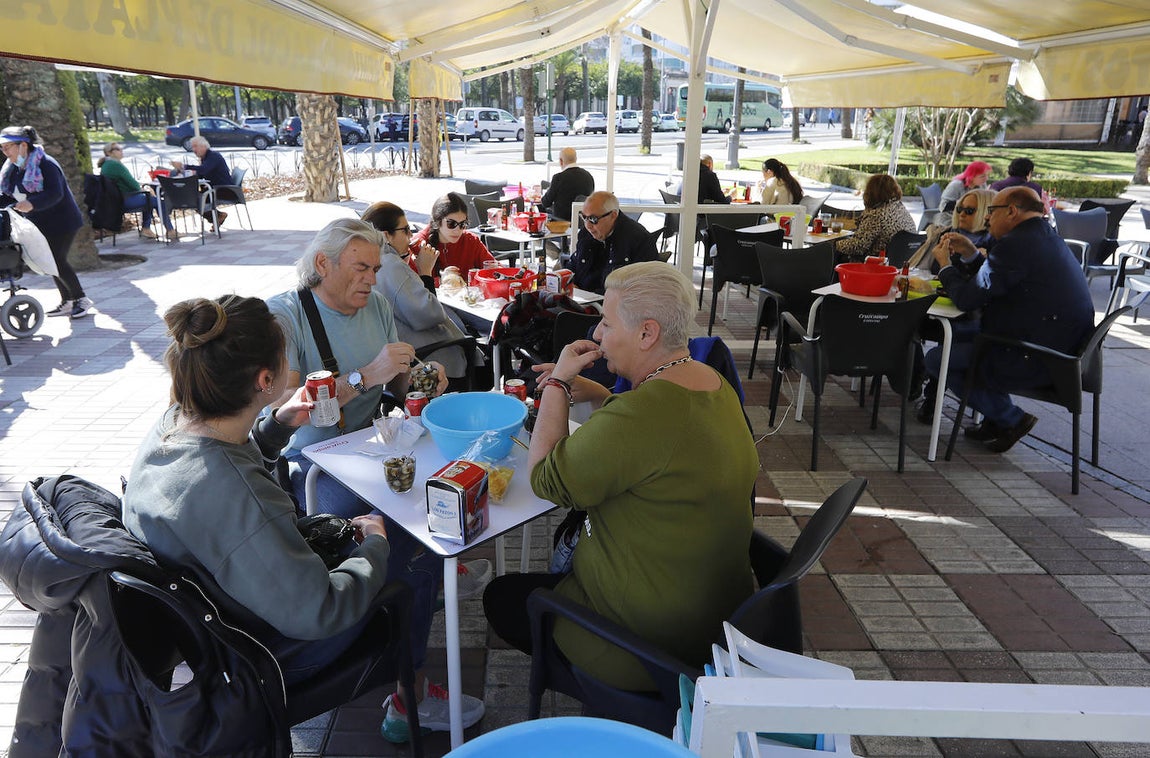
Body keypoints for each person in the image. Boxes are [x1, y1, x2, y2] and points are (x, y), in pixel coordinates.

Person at [482, 262, 758, 691]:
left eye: (607, 324)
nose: (597, 335)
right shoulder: (711, 382)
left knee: (502, 599)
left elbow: (543, 477)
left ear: (647, 333)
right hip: (712, 611)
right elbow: (656, 442)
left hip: (650, 644)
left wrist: (556, 384)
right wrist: (605, 396)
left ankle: (607, 694)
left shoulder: (641, 416)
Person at [266, 218, 486, 742]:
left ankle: (424, 585)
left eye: (376, 268)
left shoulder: (378, 307)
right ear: (323, 265)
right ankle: (407, 693)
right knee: (411, 539)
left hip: (376, 446)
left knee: (447, 498)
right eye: (361, 267)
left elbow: (403, 379)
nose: (371, 279)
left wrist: (426, 380)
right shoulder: (286, 314)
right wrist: (368, 374)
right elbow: (288, 409)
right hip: (313, 464)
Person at [123, 294, 398, 690]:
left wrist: (276, 428)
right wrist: (375, 546)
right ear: (267, 381)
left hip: (212, 620)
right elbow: (322, 612)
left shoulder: (173, 423)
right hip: (259, 658)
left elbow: (224, 467)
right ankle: (410, 704)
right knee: (410, 559)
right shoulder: (241, 496)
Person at [924, 187, 1094, 452]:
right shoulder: (1041, 235)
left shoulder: (1017, 244)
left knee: (937, 360)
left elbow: (969, 299)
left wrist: (946, 266)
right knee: (952, 338)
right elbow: (994, 281)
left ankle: (1010, 419)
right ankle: (997, 418)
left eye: (992, 211)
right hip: (1052, 342)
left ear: (1012, 211)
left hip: (1038, 354)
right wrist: (970, 253)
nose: (988, 218)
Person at [362, 200, 483, 390]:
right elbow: (429, 315)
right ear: (386, 236)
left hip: (395, 362)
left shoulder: (366, 263)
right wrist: (425, 273)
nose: (411, 236)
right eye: (405, 230)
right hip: (428, 362)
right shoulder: (389, 265)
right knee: (485, 362)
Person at [0, 125, 94, 319]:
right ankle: (67, 301)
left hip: (63, 221)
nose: (4, 151)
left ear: (23, 146)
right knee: (50, 260)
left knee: (56, 260)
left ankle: (81, 299)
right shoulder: (14, 167)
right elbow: (10, 196)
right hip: (39, 222)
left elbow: (55, 193)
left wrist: (32, 204)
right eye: (3, 147)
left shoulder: (46, 164)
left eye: (7, 146)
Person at [570, 191, 659, 294]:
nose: (588, 225)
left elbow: (641, 288)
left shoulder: (639, 240)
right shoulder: (586, 234)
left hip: (614, 304)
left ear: (613, 215)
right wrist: (568, 282)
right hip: (582, 300)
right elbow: (573, 265)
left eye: (593, 219)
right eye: (584, 217)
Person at [100, 142, 177, 241]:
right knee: (157, 201)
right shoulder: (115, 165)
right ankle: (170, 231)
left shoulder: (106, 165)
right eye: (117, 149)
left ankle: (146, 228)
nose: (121, 151)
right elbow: (133, 185)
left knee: (149, 198)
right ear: (109, 153)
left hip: (115, 200)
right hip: (124, 200)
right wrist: (143, 189)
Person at [409, 192, 495, 280]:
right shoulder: (419, 245)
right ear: (437, 222)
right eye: (451, 223)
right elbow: (412, 286)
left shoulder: (471, 240)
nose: (457, 230)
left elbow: (495, 269)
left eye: (463, 224)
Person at [832, 173, 916, 263]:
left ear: (871, 192)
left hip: (873, 265)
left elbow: (858, 246)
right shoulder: (900, 208)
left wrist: (834, 244)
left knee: (830, 254)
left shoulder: (877, 215)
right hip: (898, 265)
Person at [169, 136, 232, 230]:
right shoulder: (205, 158)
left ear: (204, 146)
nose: (193, 149)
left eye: (195, 146)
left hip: (223, 189)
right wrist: (182, 173)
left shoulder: (213, 156)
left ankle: (218, 216)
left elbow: (203, 170)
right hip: (212, 188)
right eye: (192, 147)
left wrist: (184, 166)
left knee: (193, 199)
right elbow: (200, 173)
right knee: (191, 198)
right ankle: (217, 217)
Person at [540, 147, 595, 222]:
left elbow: (545, 202)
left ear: (561, 161)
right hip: (582, 220)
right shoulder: (588, 176)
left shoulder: (558, 178)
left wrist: (545, 192)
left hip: (562, 222)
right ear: (575, 159)